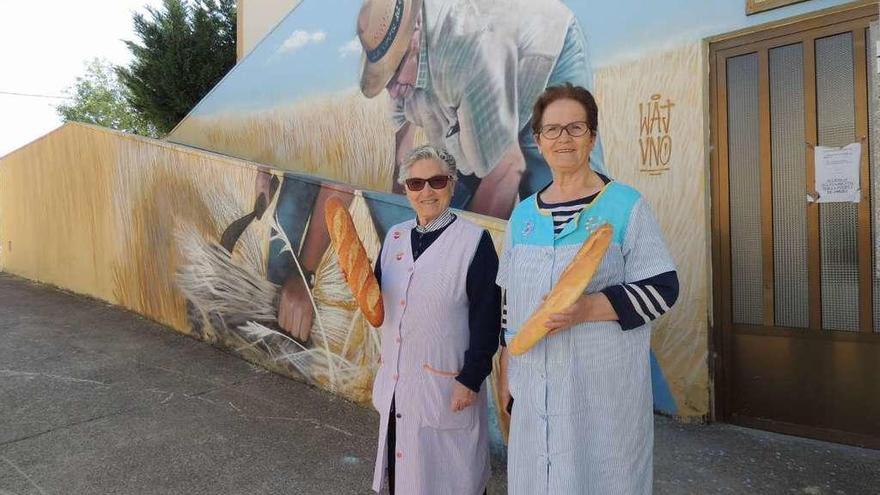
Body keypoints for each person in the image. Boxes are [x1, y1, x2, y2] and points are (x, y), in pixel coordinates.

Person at [497, 84, 679, 494]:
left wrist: (588, 308)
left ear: (592, 137)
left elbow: (663, 288)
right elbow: (510, 301)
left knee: (600, 478)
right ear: (539, 141)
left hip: (601, 390)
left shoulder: (625, 205)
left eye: (575, 128)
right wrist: (508, 367)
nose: (563, 139)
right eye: (552, 130)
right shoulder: (524, 215)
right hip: (534, 383)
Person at [356, 0, 605, 219]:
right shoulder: (397, 72)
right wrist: (401, 230)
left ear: (415, 36)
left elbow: (506, 169)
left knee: (564, 193)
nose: (392, 90)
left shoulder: (466, 50)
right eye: (383, 76)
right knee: (452, 196)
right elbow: (403, 162)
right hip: (480, 75)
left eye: (394, 73)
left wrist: (469, 255)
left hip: (541, 55)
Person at [371, 145, 501, 494]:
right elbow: (376, 301)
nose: (426, 191)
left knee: (452, 477)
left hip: (447, 386)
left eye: (436, 181)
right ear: (405, 189)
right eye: (415, 183)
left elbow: (488, 318)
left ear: (453, 184)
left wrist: (471, 378)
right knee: (404, 475)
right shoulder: (395, 236)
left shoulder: (474, 241)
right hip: (399, 382)